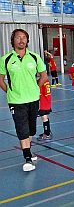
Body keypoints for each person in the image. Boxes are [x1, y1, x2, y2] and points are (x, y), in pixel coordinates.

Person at [0, 28, 48, 171]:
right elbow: (1, 79)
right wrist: (10, 91)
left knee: (31, 130)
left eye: (24, 37)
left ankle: (28, 151)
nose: (21, 40)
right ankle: (27, 158)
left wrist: (35, 88)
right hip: (16, 101)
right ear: (12, 40)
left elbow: (43, 76)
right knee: (22, 129)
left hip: (33, 99)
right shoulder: (6, 59)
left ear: (27, 40)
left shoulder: (34, 57)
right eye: (18, 37)